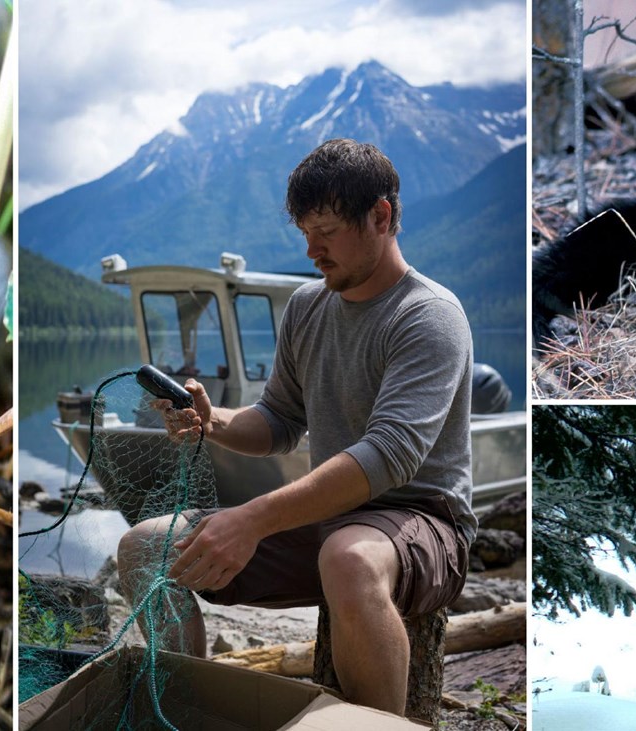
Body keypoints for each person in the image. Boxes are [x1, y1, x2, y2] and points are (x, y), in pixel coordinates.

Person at [116, 138, 476, 716]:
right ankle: (181, 711)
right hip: (331, 519)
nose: (311, 250)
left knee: (349, 560)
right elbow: (279, 422)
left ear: (380, 216)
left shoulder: (429, 316)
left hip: (424, 519)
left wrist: (252, 519)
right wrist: (214, 421)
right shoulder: (308, 307)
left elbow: (391, 456)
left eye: (326, 232)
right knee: (143, 548)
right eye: (304, 232)